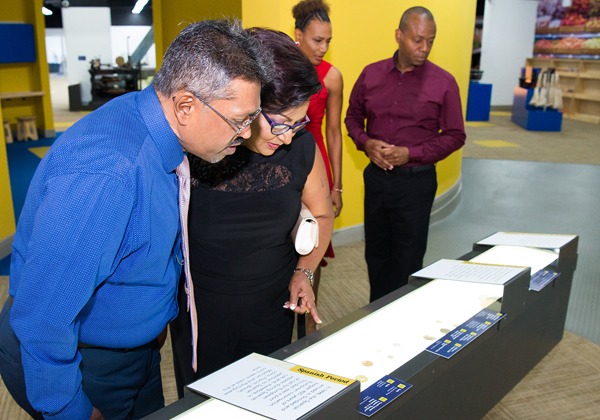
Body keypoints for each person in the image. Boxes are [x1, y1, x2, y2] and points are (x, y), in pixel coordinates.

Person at [0, 19, 271, 420]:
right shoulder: (108, 174)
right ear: (185, 106)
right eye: (239, 120)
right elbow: (43, 318)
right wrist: (70, 411)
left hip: (130, 353)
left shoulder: (150, 119)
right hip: (79, 362)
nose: (247, 133)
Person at [170, 27, 334, 396]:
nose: (289, 136)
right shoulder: (201, 145)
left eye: (300, 123)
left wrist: (304, 273)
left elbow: (322, 215)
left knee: (267, 395)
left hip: (272, 304)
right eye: (280, 123)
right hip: (202, 311)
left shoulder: (299, 148)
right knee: (204, 403)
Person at [345, 7, 466, 303]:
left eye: (430, 41)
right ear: (399, 35)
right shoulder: (371, 74)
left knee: (408, 261)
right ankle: (376, 313)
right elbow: (351, 119)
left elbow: (455, 135)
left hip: (417, 185)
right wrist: (366, 143)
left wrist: (410, 153)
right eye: (417, 40)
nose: (424, 48)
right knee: (376, 255)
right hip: (377, 180)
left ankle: (401, 320)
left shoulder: (444, 82)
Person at [292, 0, 344, 336]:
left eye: (328, 40)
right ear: (298, 36)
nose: (323, 48)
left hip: (316, 164)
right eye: (317, 40)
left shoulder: (333, 77)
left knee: (315, 243)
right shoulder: (278, 70)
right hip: (282, 160)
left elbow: (334, 132)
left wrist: (337, 186)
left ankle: (309, 330)